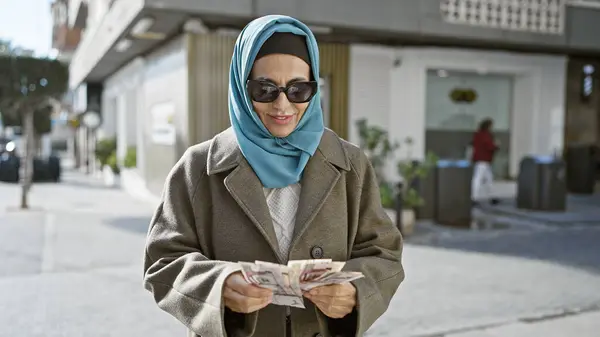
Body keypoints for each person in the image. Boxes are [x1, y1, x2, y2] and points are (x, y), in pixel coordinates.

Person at [143, 15, 404, 337]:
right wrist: (219, 286)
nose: (283, 105)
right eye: (264, 89)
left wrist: (356, 292)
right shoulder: (198, 166)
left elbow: (384, 253)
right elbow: (163, 260)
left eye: (299, 89)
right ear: (241, 85)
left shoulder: (350, 163)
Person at [471, 118, 499, 205]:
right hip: (484, 159)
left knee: (488, 178)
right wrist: (496, 146)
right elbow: (489, 146)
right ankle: (474, 197)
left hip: (480, 159)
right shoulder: (486, 135)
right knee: (479, 178)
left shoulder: (477, 134)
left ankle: (492, 196)